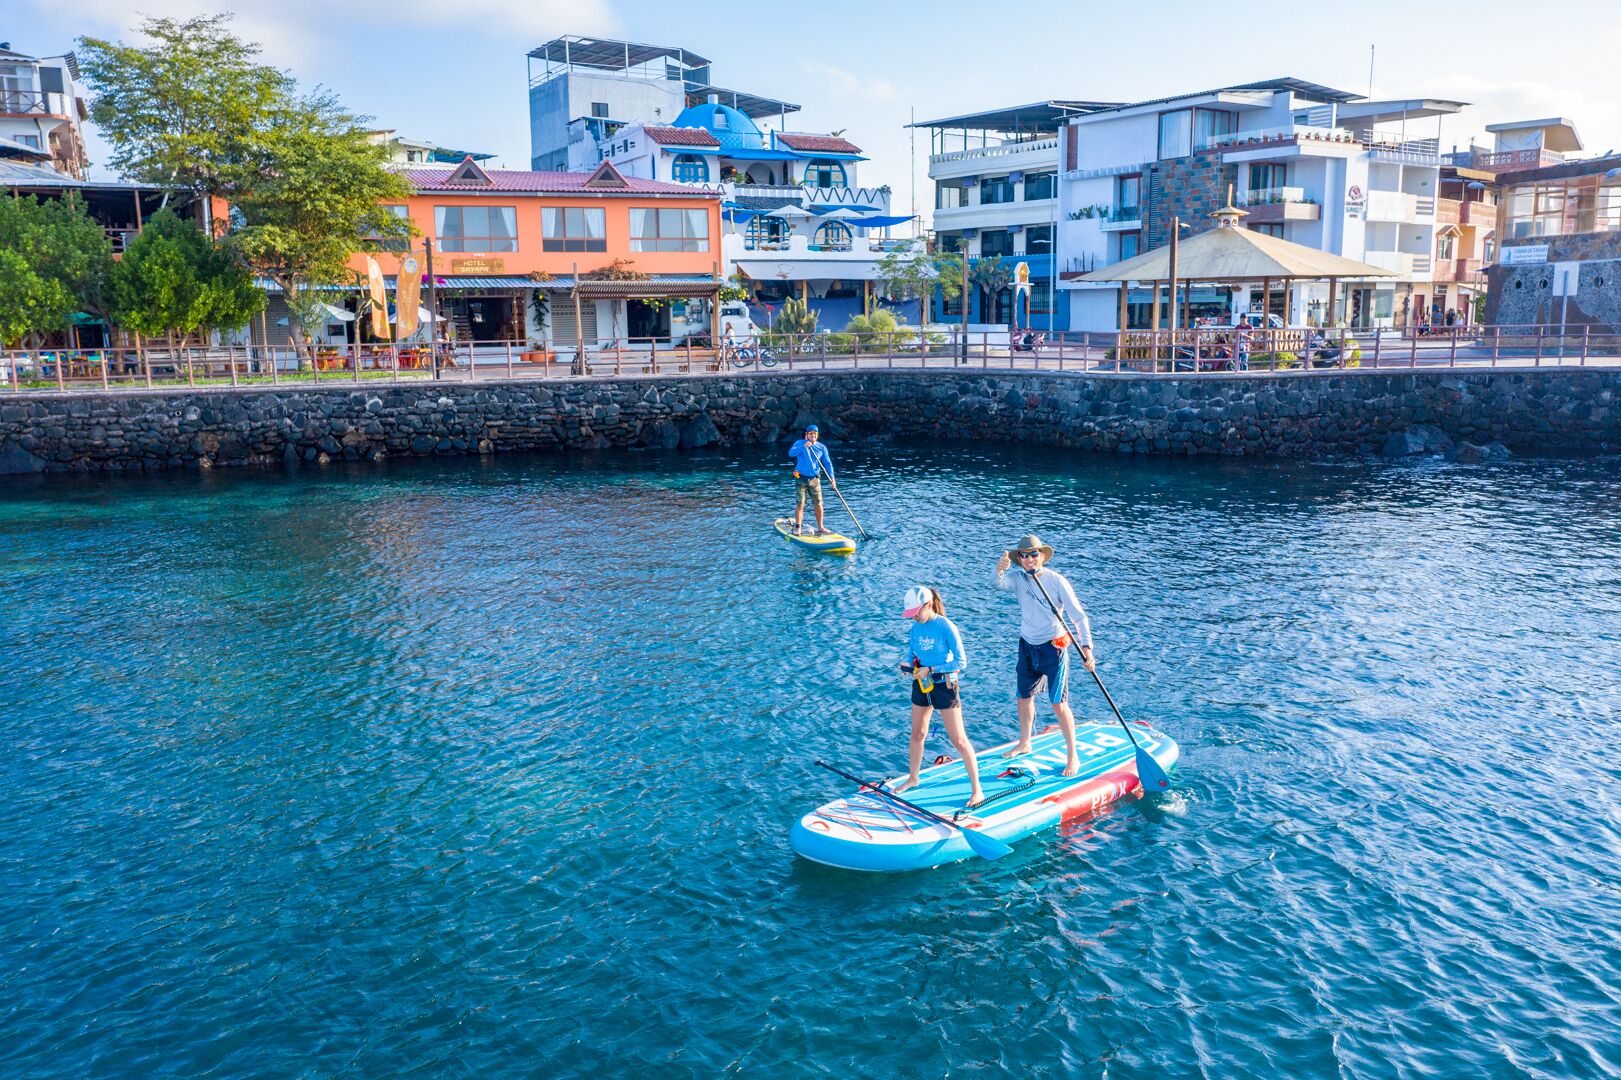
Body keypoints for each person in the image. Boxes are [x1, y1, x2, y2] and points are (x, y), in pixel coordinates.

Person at [995, 534, 1095, 777]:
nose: (1029, 559)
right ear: (1019, 558)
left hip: (1054, 648)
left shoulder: (1057, 581)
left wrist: (1087, 648)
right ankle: (1025, 742)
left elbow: (1078, 617)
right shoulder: (1018, 578)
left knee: (1058, 703)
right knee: (1023, 697)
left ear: (1042, 556)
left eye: (1034, 554)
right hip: (1027, 645)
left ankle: (1073, 756)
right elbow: (998, 584)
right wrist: (998, 570)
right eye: (1024, 555)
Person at [893, 586, 985, 807]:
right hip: (921, 684)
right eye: (911, 613)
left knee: (959, 740)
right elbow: (911, 653)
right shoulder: (916, 627)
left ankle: (977, 790)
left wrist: (931, 669)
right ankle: (913, 778)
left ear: (928, 605)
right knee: (918, 733)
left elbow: (961, 662)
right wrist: (906, 665)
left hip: (944, 684)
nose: (914, 616)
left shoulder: (946, 626)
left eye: (917, 611)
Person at [787, 423, 836, 536]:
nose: (813, 435)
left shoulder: (821, 447)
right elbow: (791, 453)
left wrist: (832, 478)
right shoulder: (800, 443)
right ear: (806, 435)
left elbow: (828, 464)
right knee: (800, 504)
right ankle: (798, 527)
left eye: (815, 434)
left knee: (818, 503)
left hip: (814, 479)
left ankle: (821, 527)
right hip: (800, 478)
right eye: (810, 433)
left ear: (817, 435)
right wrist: (803, 446)